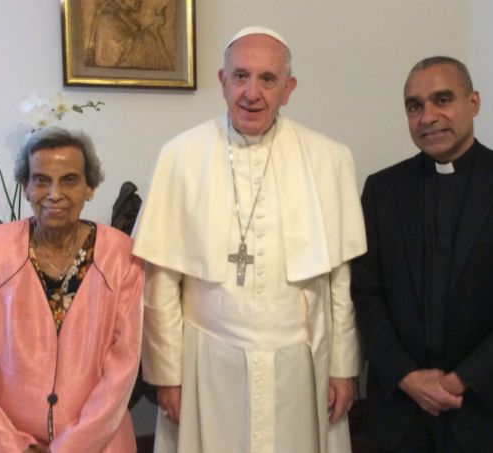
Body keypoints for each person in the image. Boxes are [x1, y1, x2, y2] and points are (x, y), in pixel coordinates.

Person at [132, 26, 366, 453]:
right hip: (208, 360)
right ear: (223, 82)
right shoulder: (180, 156)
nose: (252, 93)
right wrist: (167, 374)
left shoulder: (329, 159)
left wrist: (343, 367)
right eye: (241, 76)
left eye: (267, 79)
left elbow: (339, 281)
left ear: (288, 88)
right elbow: (162, 278)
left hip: (300, 363)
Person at [351, 56, 493, 453]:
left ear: (473, 102)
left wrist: (458, 381)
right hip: (401, 407)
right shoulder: (381, 190)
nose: (428, 116)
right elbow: (366, 293)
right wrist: (408, 377)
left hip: (488, 405)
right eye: (415, 106)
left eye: (442, 99)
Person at [0, 127, 144, 453]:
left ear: (89, 187)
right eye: (40, 180)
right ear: (25, 187)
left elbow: (122, 369)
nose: (54, 193)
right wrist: (10, 445)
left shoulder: (122, 255)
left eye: (69, 179)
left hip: (99, 444)